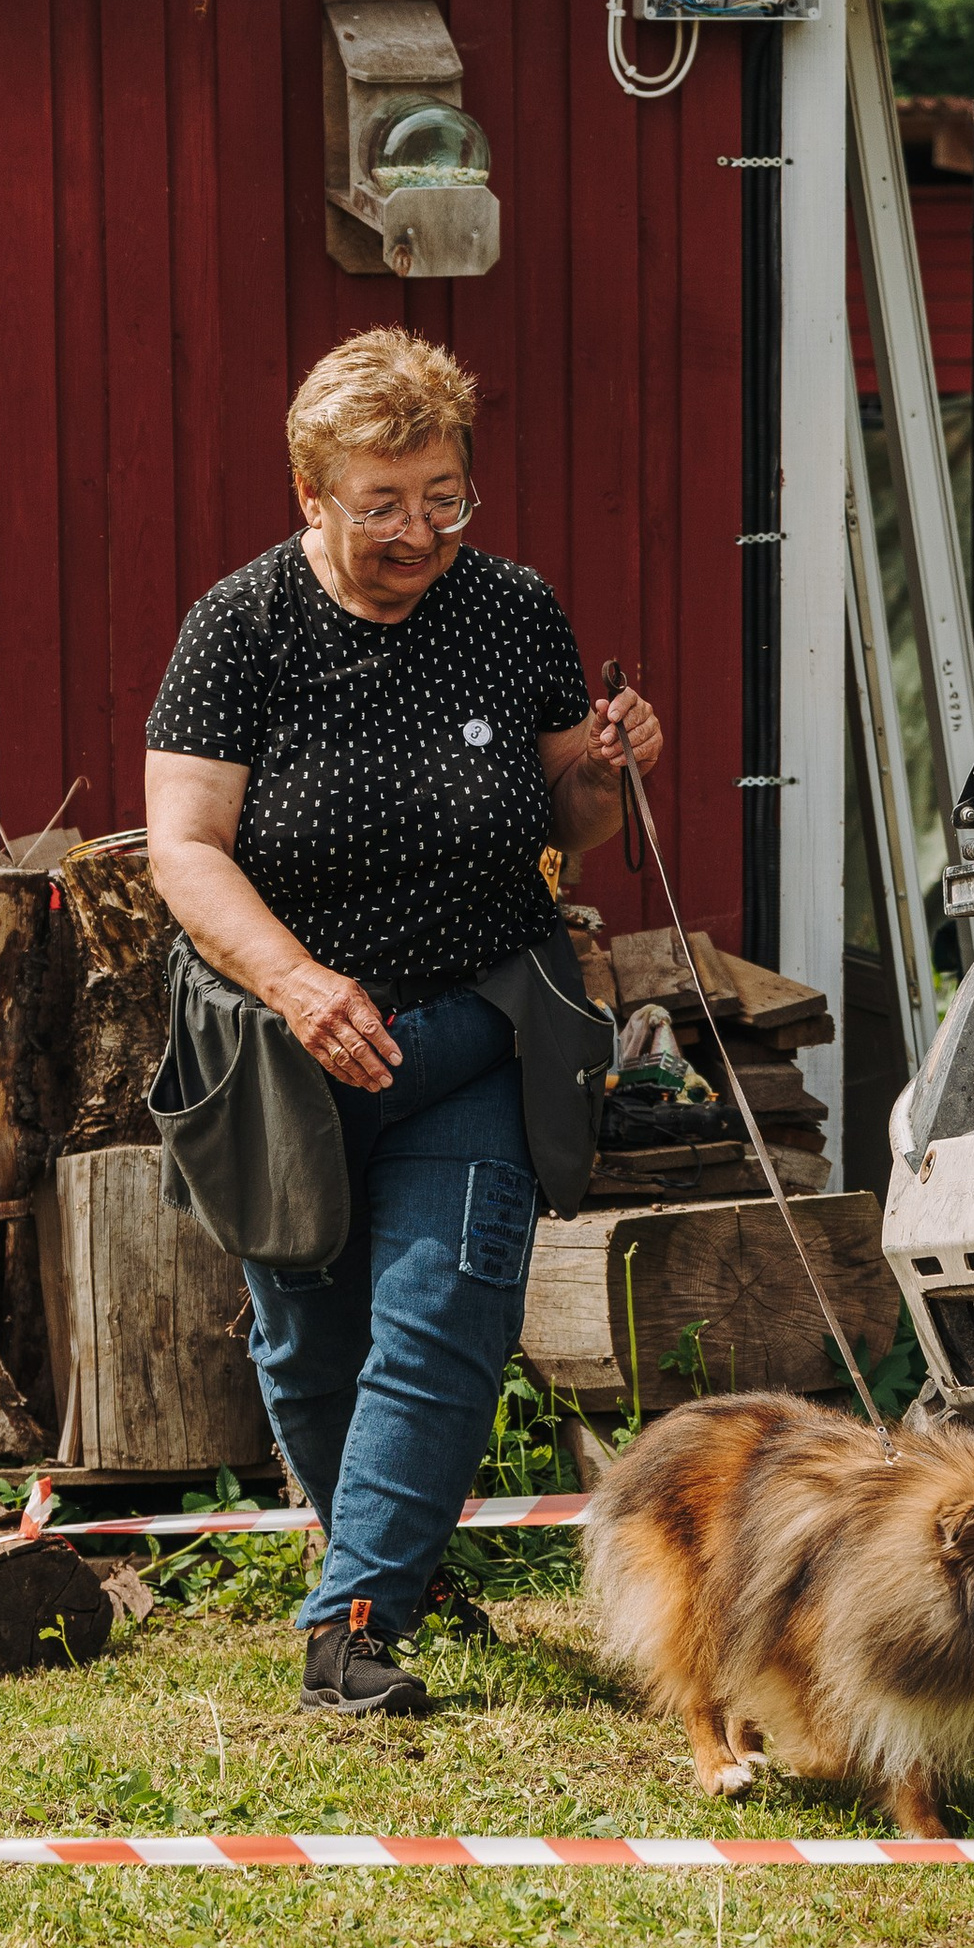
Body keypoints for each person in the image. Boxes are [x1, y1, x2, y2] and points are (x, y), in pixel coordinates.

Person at [144, 327, 660, 1716]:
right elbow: (185, 849)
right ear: (311, 495)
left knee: (441, 1320)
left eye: (444, 495)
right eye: (383, 501)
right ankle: (395, 1563)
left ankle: (351, 1625)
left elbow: (573, 823)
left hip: (474, 1028)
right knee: (306, 1345)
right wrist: (299, 982)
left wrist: (610, 766)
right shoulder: (239, 628)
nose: (419, 530)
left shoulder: (513, 612)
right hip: (284, 1055)